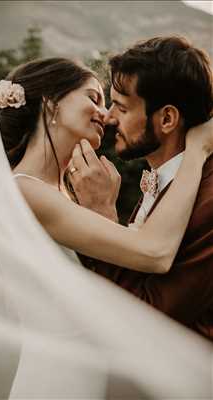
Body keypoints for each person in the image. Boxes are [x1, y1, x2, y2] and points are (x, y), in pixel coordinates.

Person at [0, 56, 213, 400]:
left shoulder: (65, 196)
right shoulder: (26, 191)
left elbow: (126, 276)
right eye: (93, 98)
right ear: (51, 104)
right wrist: (198, 150)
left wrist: (104, 209)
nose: (105, 115)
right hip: (58, 378)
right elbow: (154, 252)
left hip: (87, 373)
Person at [68, 37, 213, 341]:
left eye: (121, 107)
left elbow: (150, 316)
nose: (107, 117)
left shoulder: (208, 194)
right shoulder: (165, 177)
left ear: (167, 118)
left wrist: (102, 216)